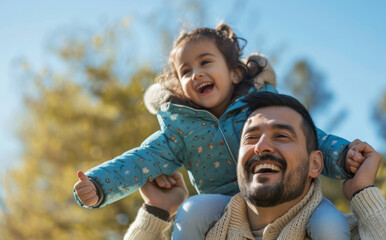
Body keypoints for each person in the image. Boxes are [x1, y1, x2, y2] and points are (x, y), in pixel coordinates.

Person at [73, 24, 359, 239]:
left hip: (292, 196)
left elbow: (312, 139)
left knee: (330, 225)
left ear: (234, 73)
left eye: (205, 62)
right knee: (191, 210)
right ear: (178, 85)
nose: (195, 73)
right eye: (185, 71)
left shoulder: (262, 107)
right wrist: (100, 185)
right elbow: (140, 160)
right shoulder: (179, 129)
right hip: (228, 205)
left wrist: (345, 156)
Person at [124, 92, 386, 240]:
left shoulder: (348, 234)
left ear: (315, 164)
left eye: (282, 136)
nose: (261, 146)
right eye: (250, 137)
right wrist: (156, 212)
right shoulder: (198, 231)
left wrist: (364, 193)